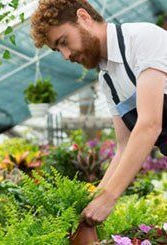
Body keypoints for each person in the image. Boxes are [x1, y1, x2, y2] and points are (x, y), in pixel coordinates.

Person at [31, 0, 167, 227]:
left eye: (64, 42)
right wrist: (91, 204)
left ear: (84, 18)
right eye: (58, 50)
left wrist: (109, 198)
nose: (65, 55)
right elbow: (124, 147)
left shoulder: (142, 39)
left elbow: (150, 124)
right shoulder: (107, 80)